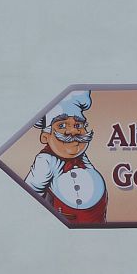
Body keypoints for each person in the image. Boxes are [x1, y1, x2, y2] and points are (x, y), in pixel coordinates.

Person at [24, 90, 108, 225]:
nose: (73, 131)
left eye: (78, 125)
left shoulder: (81, 157)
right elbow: (29, 198)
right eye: (62, 125)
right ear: (46, 136)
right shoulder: (46, 161)